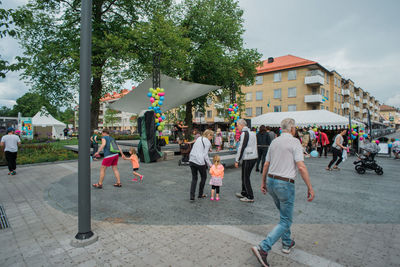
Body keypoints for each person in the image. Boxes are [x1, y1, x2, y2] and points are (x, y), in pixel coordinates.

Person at [252, 118, 314, 267]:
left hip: (272, 182)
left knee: (284, 216)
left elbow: (266, 164)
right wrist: (310, 187)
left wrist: (263, 182)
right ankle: (263, 248)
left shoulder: (274, 142)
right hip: (285, 184)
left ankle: (286, 243)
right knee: (286, 220)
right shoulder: (295, 142)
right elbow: (301, 167)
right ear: (292, 128)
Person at [234, 119, 258, 202]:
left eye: (237, 126)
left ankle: (250, 196)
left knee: (245, 177)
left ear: (241, 125)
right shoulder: (252, 133)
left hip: (248, 157)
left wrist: (237, 160)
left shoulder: (244, 133)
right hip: (253, 156)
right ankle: (244, 192)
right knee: (244, 176)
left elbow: (241, 147)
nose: (237, 128)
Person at [189, 129, 214, 201]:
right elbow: (205, 155)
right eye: (211, 136)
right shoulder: (208, 142)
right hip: (200, 161)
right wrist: (210, 165)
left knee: (194, 178)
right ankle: (200, 194)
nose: (211, 138)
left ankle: (192, 196)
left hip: (192, 159)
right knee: (204, 177)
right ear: (209, 135)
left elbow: (198, 148)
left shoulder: (199, 138)